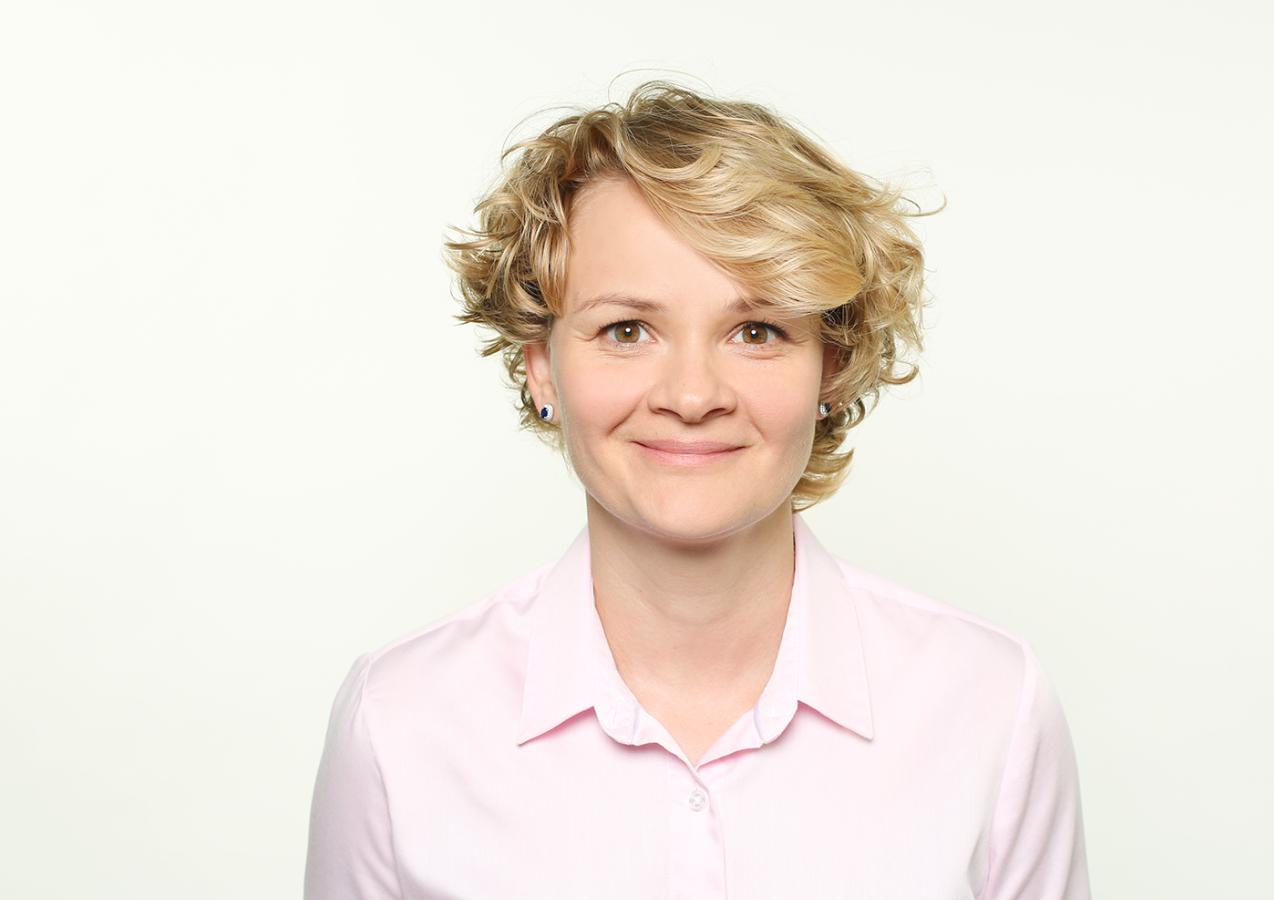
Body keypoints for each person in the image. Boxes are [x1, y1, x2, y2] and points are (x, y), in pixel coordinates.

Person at [303, 80, 1091, 899]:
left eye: (756, 331)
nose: (690, 395)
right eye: (626, 330)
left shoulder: (991, 705)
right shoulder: (398, 720)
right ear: (542, 365)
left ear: (830, 367)